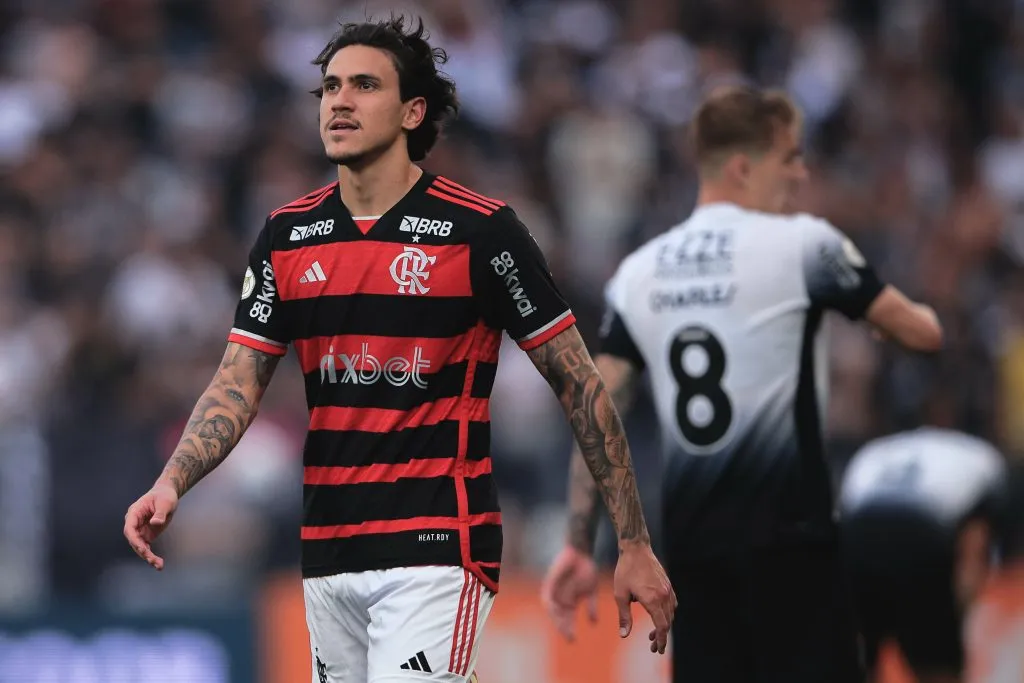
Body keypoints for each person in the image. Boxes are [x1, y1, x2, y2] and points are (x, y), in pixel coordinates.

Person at [122, 16, 675, 683]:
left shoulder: (480, 231)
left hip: (438, 544)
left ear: (414, 111)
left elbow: (580, 382)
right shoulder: (287, 235)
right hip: (328, 547)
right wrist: (172, 479)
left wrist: (634, 540)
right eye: (329, 87)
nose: (340, 101)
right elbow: (238, 380)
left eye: (364, 85)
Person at [540, 86, 943, 683]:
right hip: (795, 547)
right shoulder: (804, 245)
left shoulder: (640, 271)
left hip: (694, 558)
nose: (801, 174)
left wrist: (579, 541)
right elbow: (922, 333)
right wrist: (900, 321)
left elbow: (596, 408)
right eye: (790, 157)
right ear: (742, 166)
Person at [840, 428, 1009, 683]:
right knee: (937, 670)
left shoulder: (874, 452)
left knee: (857, 664)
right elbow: (975, 543)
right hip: (922, 535)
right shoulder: (982, 458)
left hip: (858, 533)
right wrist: (957, 609)